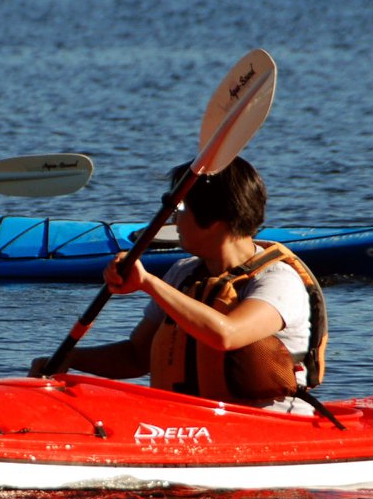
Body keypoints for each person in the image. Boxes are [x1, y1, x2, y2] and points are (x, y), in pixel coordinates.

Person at [32, 158, 329, 412]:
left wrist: (147, 283)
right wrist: (68, 359)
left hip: (268, 426)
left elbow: (227, 334)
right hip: (190, 423)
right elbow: (137, 356)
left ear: (214, 221)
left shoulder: (277, 280)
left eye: (181, 210)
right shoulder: (183, 273)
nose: (174, 220)